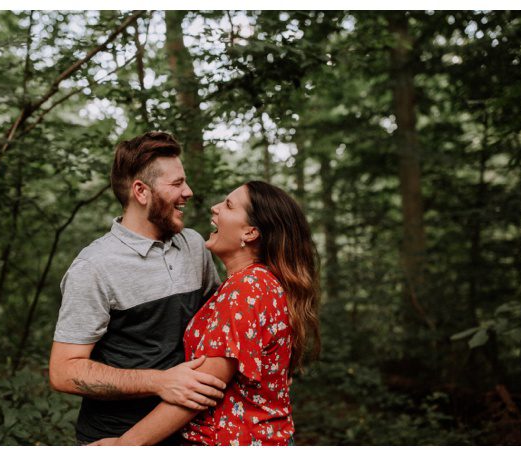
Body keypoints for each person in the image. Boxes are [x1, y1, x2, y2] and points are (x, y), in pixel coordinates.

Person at [93, 180, 321, 446]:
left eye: (228, 205)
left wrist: (124, 445)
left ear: (249, 233)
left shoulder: (246, 289)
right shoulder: (258, 283)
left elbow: (201, 388)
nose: (215, 208)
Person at [49, 131, 226, 445]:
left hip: (191, 431)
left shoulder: (194, 245)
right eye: (176, 184)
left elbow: (218, 326)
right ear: (141, 192)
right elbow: (63, 371)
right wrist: (159, 382)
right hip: (115, 438)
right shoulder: (94, 267)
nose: (188, 192)